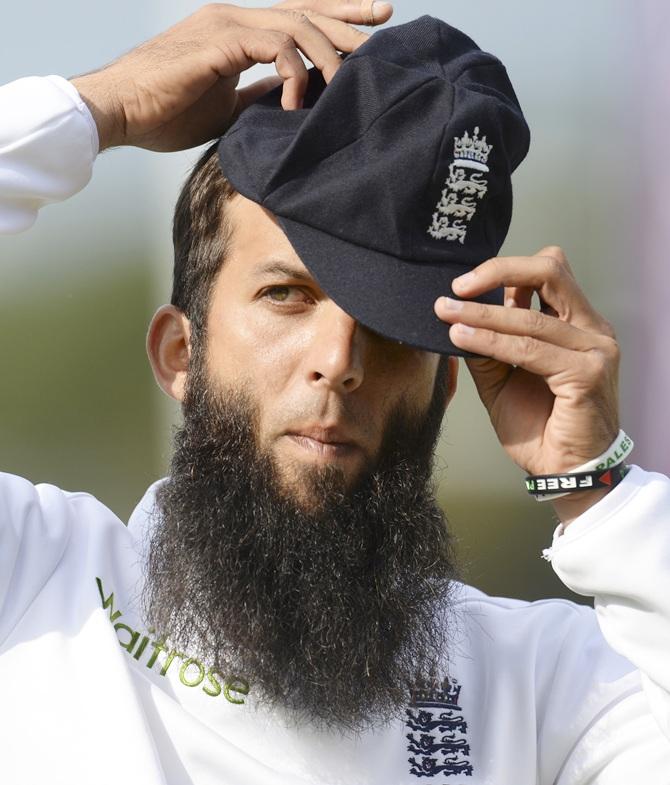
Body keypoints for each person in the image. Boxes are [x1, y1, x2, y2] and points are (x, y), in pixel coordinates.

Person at [1, 2, 669, 784]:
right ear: (179, 352)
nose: (340, 360)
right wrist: (96, 108)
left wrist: (604, 495)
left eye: (389, 326)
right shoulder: (33, 576)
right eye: (287, 294)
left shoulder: (544, 685)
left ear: (446, 383)